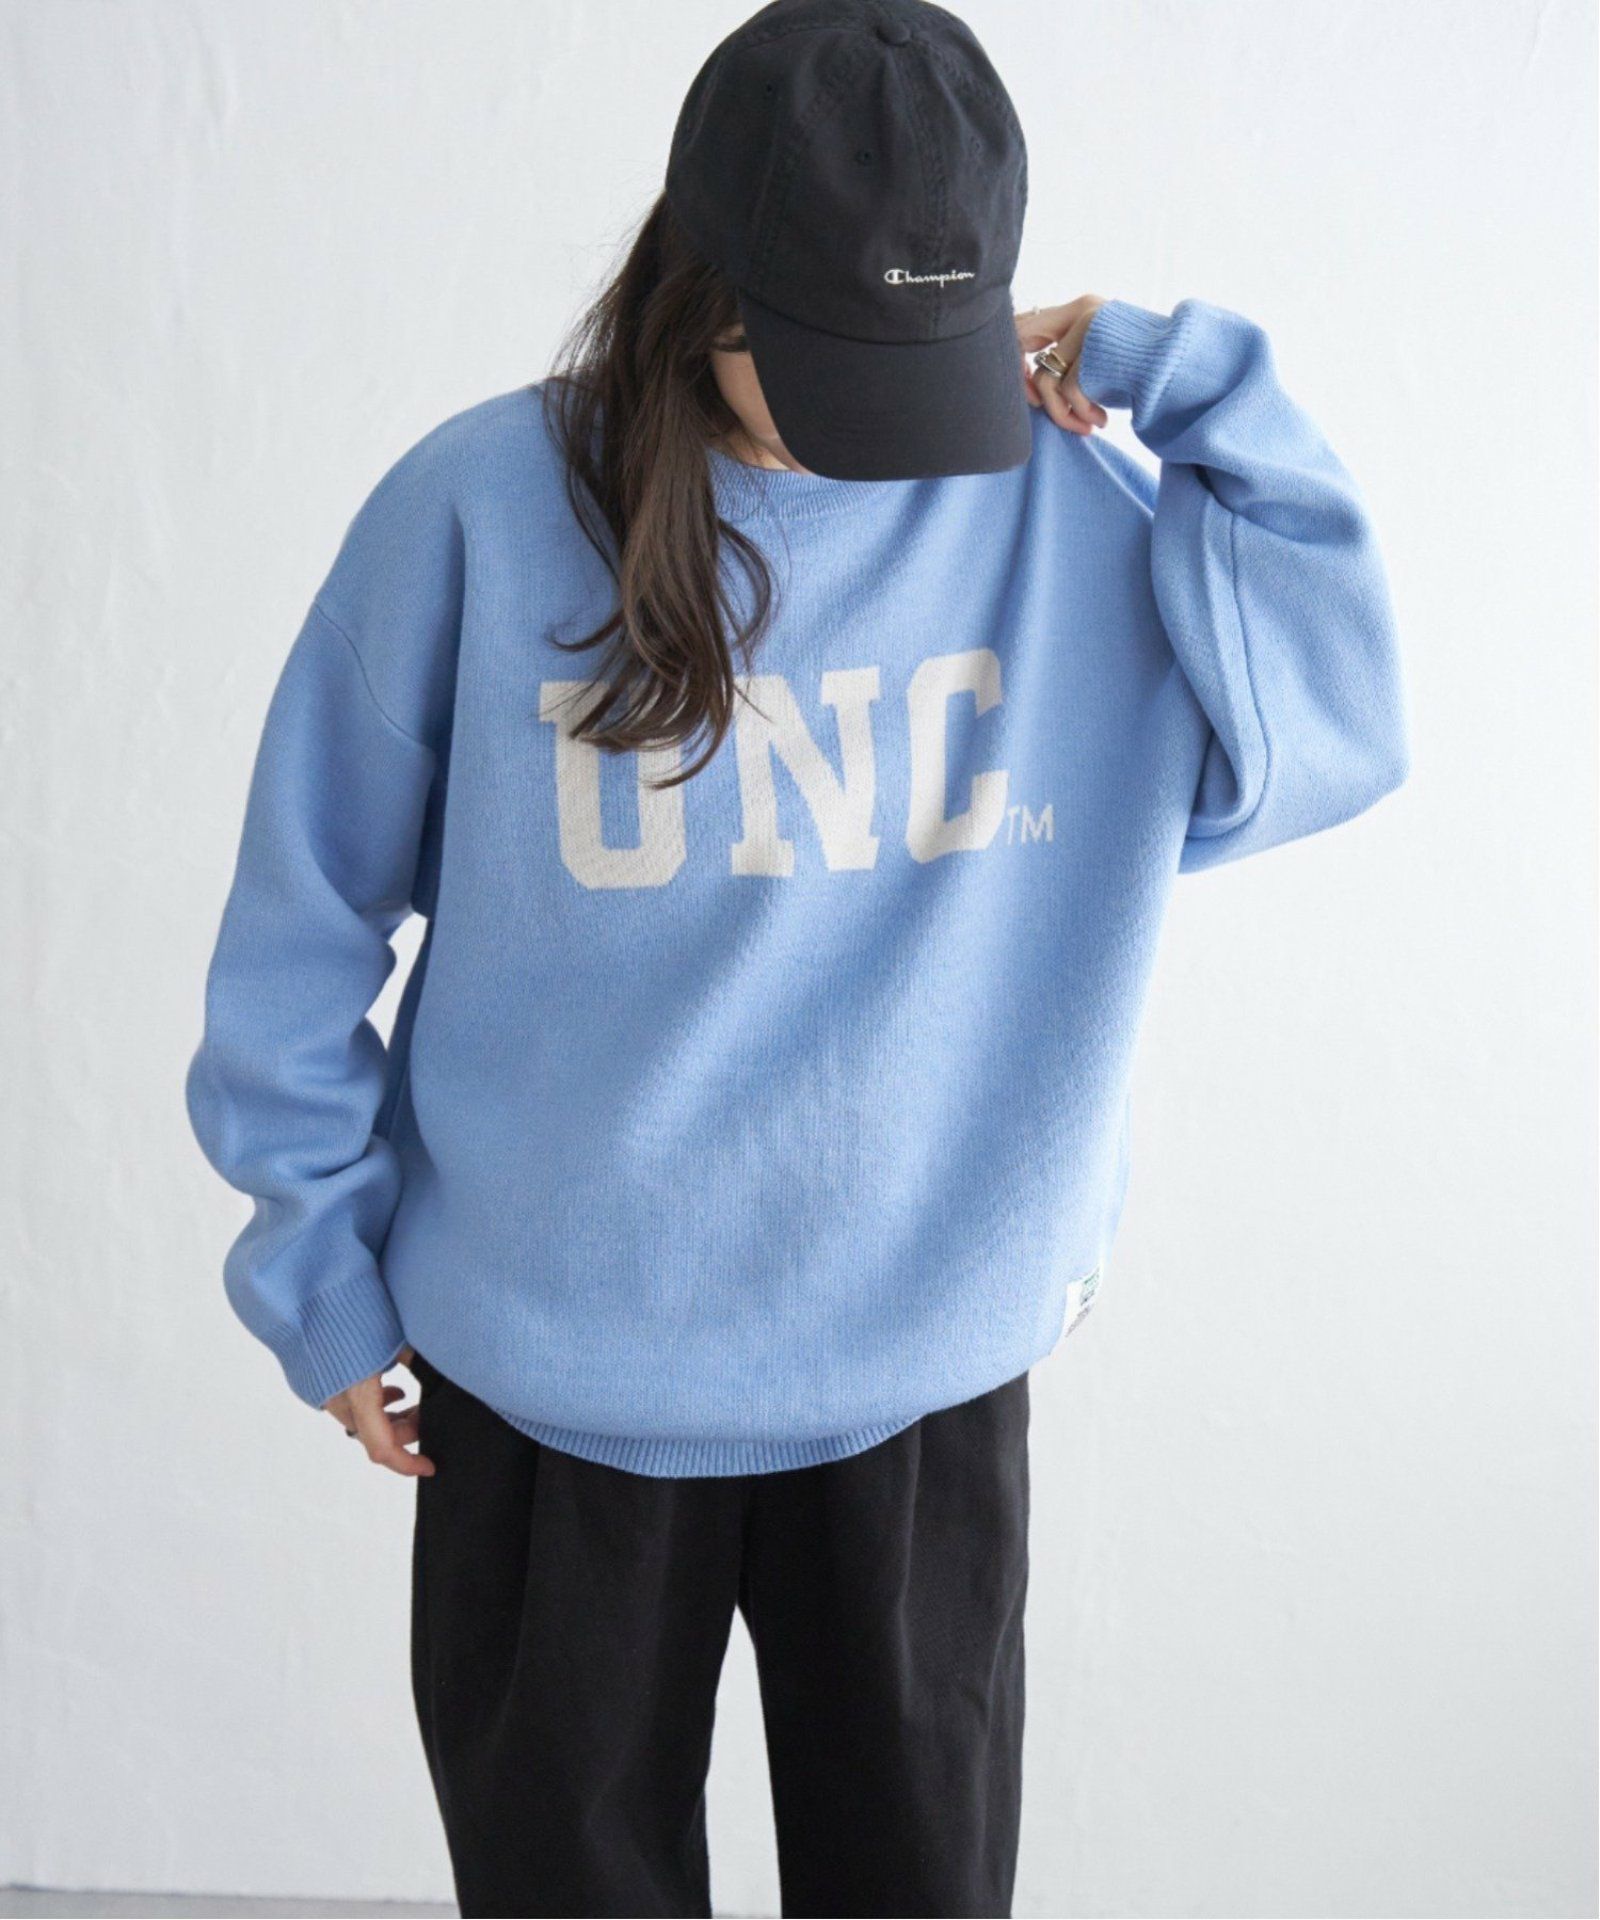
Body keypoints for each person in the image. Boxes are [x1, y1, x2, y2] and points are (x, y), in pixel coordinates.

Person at [185, 2, 1410, 1915]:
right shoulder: (479, 511)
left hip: (923, 1378)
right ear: (704, 292)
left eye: (923, 363)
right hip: (550, 1384)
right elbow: (298, 922)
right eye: (834, 367)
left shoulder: (1060, 510)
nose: (887, 438)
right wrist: (316, 1267)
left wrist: (1183, 374)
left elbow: (1336, 728)